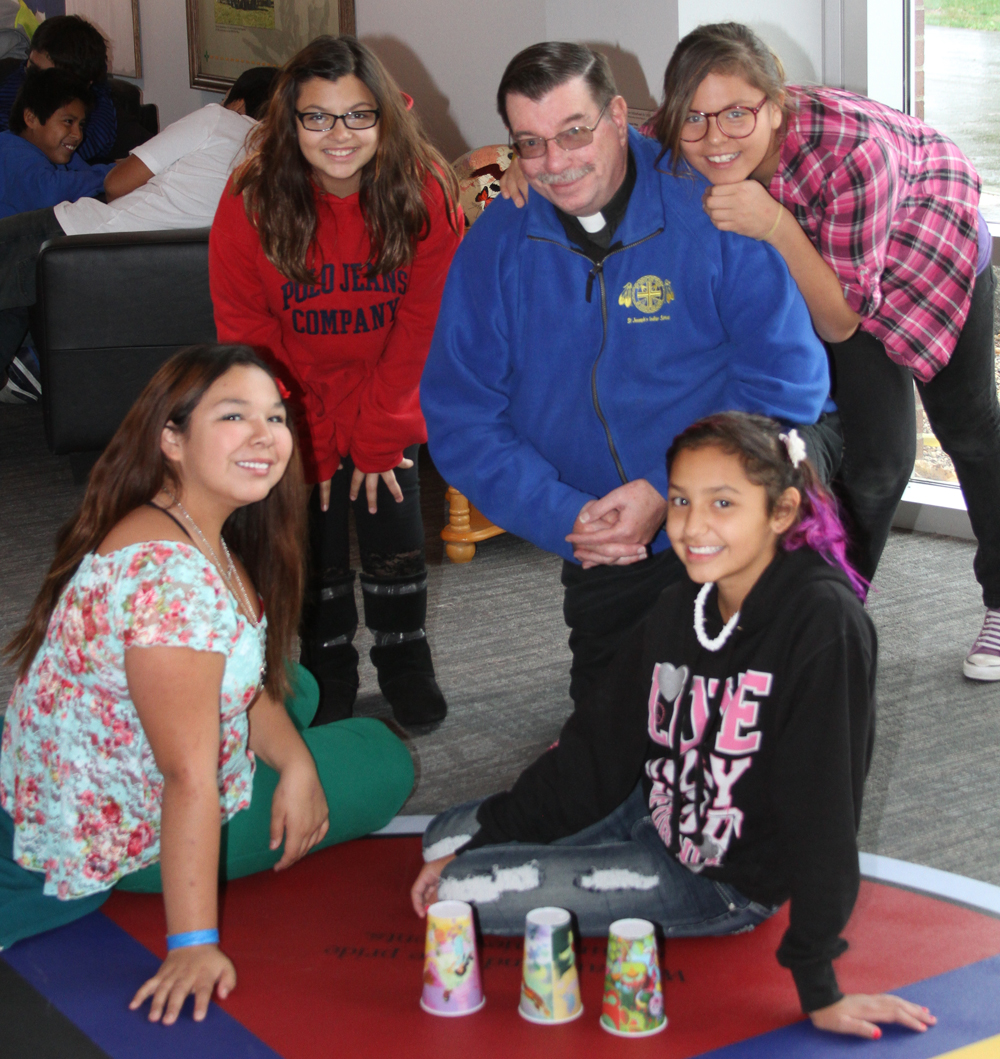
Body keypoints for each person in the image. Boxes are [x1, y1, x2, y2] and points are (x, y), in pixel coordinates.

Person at [411, 411, 935, 1040]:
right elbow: (597, 750)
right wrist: (485, 835)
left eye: (722, 503)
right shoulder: (683, 603)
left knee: (459, 891)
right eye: (682, 500)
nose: (692, 527)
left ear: (781, 510)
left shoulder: (823, 625)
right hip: (656, 808)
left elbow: (824, 809)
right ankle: (542, 849)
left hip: (720, 879)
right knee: (446, 840)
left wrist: (819, 985)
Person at [1, 344, 414, 1025]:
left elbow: (240, 684)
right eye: (234, 416)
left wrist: (297, 762)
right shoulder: (174, 586)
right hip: (126, 829)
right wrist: (192, 943)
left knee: (296, 687)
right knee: (381, 753)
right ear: (172, 437)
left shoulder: (177, 518)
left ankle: (293, 754)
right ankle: (187, 860)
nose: (266, 436)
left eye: (276, 417)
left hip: (73, 763)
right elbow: (188, 775)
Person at [420, 41, 835, 703]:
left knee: (748, 717)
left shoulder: (712, 210)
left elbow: (787, 383)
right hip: (602, 529)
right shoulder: (498, 242)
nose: (556, 164)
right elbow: (462, 416)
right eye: (531, 143)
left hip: (728, 504)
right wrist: (569, 515)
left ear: (618, 117)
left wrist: (667, 489)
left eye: (574, 132)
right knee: (610, 742)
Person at [651, 23, 999, 680]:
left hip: (930, 253)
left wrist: (773, 222)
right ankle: (829, 613)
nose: (714, 137)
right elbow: (606, 159)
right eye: (692, 118)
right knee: (875, 463)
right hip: (834, 272)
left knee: (970, 431)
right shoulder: (682, 139)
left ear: (774, 105)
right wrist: (525, 181)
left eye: (736, 113)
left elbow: (839, 322)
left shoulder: (851, 151)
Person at [210, 37, 463, 728]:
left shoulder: (424, 189)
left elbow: (423, 323)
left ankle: (405, 654)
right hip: (290, 397)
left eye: (357, 115)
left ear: (385, 115)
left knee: (390, 504)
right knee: (309, 532)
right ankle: (327, 663)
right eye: (317, 117)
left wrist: (379, 432)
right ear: (290, 122)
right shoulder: (250, 199)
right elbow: (247, 331)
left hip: (391, 381)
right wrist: (308, 436)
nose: (338, 135)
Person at [0, 66, 278, 397]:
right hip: (133, 276)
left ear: (238, 105)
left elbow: (116, 185)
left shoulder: (218, 120)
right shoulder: (278, 170)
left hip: (73, 236)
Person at [0, 14, 115, 162]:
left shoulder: (94, 123)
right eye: (32, 68)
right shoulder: (10, 76)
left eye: (46, 79)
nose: (32, 81)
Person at [0, 66, 111, 218]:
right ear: (31, 118)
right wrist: (112, 172)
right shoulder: (10, 152)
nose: (78, 135)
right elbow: (50, 193)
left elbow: (85, 175)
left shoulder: (54, 151)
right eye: (68, 121)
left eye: (81, 125)